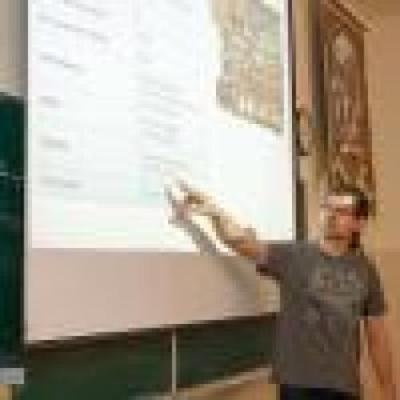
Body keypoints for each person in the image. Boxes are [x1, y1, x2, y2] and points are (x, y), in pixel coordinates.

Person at [169, 182, 397, 400]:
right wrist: (215, 211)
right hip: (298, 385)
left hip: (345, 386)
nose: (331, 215)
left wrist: (389, 391)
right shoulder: (294, 256)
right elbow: (241, 242)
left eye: (341, 211)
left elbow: (377, 337)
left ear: (359, 223)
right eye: (327, 207)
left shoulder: (366, 270)